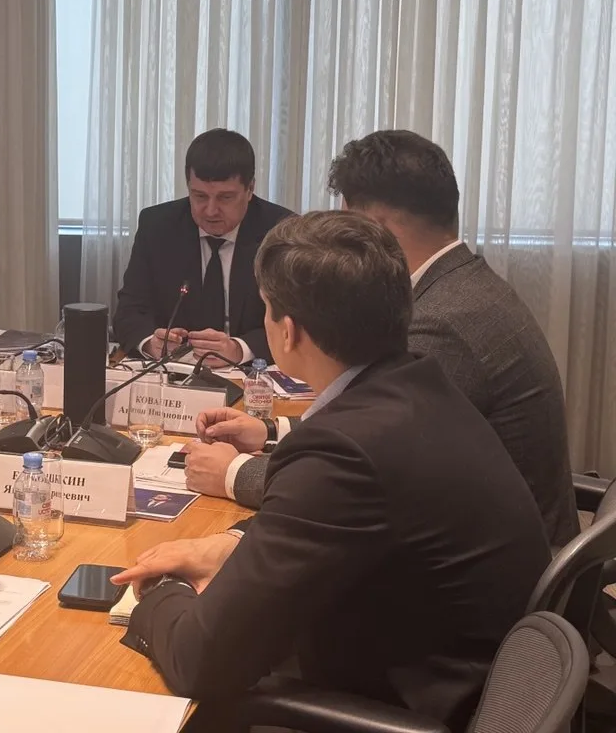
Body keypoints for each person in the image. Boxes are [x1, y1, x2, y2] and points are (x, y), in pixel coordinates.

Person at [114, 211, 550, 730]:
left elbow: (200, 660)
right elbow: (338, 523)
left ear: (288, 333)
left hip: (405, 703)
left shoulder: (343, 450)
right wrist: (229, 546)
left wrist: (160, 591)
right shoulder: (419, 385)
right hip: (471, 672)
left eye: (267, 308)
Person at [186, 130, 578, 547]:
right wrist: (269, 430)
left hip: (496, 564)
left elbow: (353, 479)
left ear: (372, 230)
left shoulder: (441, 324)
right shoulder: (460, 285)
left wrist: (233, 473)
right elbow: (375, 430)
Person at [112, 129, 291, 365]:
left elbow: (294, 323)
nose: (210, 210)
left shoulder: (281, 232)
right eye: (199, 196)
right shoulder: (157, 226)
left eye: (225, 198)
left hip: (251, 373)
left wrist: (240, 349)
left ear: (250, 190)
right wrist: (150, 343)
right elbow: (129, 311)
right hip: (172, 371)